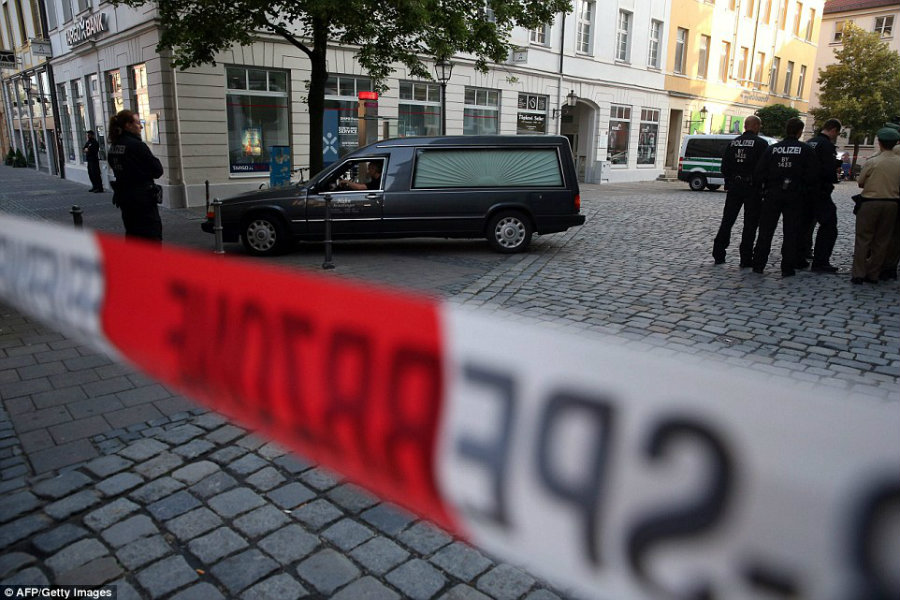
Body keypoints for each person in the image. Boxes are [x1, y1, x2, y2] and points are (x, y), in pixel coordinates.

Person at [752, 117, 818, 277]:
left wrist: (762, 190)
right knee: (791, 232)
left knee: (765, 231)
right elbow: (813, 176)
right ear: (800, 131)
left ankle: (759, 264)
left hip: (772, 194)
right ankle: (787, 267)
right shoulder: (806, 150)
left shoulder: (773, 149)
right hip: (795, 195)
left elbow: (759, 173)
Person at [712, 115, 769, 267]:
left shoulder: (733, 143)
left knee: (727, 221)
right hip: (752, 189)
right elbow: (764, 169)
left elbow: (724, 167)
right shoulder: (761, 144)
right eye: (760, 125)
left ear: (745, 126)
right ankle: (745, 258)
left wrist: (729, 181)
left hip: (734, 187)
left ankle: (718, 253)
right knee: (750, 224)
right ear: (756, 126)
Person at [850, 127, 900, 284]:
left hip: (870, 202)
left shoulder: (873, 161)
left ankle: (859, 273)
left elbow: (860, 183)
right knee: (882, 240)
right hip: (892, 203)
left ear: (879, 142)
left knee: (863, 238)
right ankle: (873, 273)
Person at [106, 110, 164, 242]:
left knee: (133, 235)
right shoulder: (137, 145)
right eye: (138, 123)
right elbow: (157, 170)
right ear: (128, 125)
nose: (141, 127)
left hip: (126, 199)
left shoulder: (115, 146)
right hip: (143, 200)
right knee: (151, 238)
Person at [798, 119, 842, 273]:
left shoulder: (810, 142)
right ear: (833, 130)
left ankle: (799, 256)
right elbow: (829, 171)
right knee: (829, 225)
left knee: (805, 225)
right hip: (820, 191)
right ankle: (821, 261)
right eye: (837, 133)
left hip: (804, 190)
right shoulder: (827, 145)